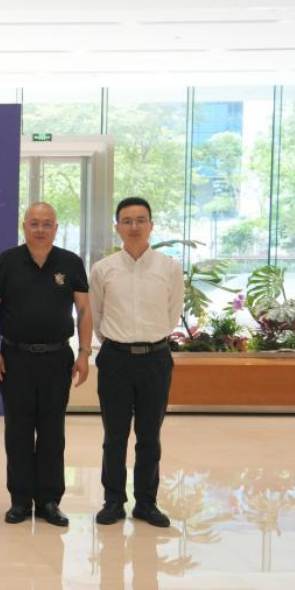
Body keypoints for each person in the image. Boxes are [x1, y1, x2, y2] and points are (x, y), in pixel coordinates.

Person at [0, 202, 92, 527]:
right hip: (14, 358)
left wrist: (84, 353)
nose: (40, 229)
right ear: (24, 226)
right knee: (17, 430)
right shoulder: (7, 262)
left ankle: (49, 500)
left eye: (47, 224)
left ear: (56, 228)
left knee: (52, 430)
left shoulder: (70, 263)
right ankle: (19, 500)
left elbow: (84, 310)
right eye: (34, 223)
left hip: (58, 359)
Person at [90, 196, 184, 528]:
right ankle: (113, 501)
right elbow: (97, 316)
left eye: (140, 220)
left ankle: (146, 503)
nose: (134, 226)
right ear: (117, 227)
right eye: (127, 221)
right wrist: (117, 342)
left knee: (149, 435)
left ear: (151, 225)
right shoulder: (103, 269)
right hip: (115, 359)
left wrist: (150, 338)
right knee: (114, 436)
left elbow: (173, 313)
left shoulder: (169, 268)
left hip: (155, 359)